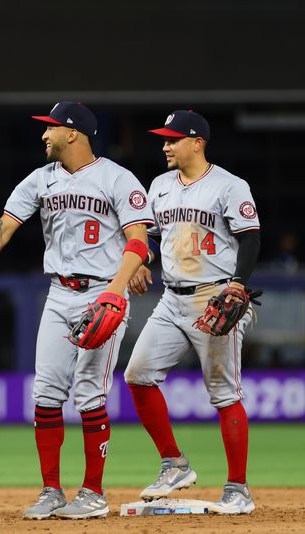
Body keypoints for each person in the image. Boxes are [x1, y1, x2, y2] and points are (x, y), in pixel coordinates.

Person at [0, 101, 153, 520]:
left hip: (102, 292)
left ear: (73, 133)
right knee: (46, 394)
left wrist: (117, 292)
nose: (44, 135)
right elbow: (1, 229)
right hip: (58, 294)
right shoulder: (39, 179)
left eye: (51, 128)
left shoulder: (117, 178)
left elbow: (138, 240)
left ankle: (93, 493)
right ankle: (51, 490)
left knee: (89, 392)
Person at [124, 110, 261, 514]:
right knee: (138, 375)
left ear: (196, 141)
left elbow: (250, 237)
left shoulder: (229, 186)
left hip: (215, 296)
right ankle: (174, 464)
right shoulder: (160, 185)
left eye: (172, 139)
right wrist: (140, 262)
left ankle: (238, 489)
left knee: (223, 394)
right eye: (164, 139)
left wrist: (238, 283)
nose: (165, 145)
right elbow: (149, 235)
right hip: (171, 298)